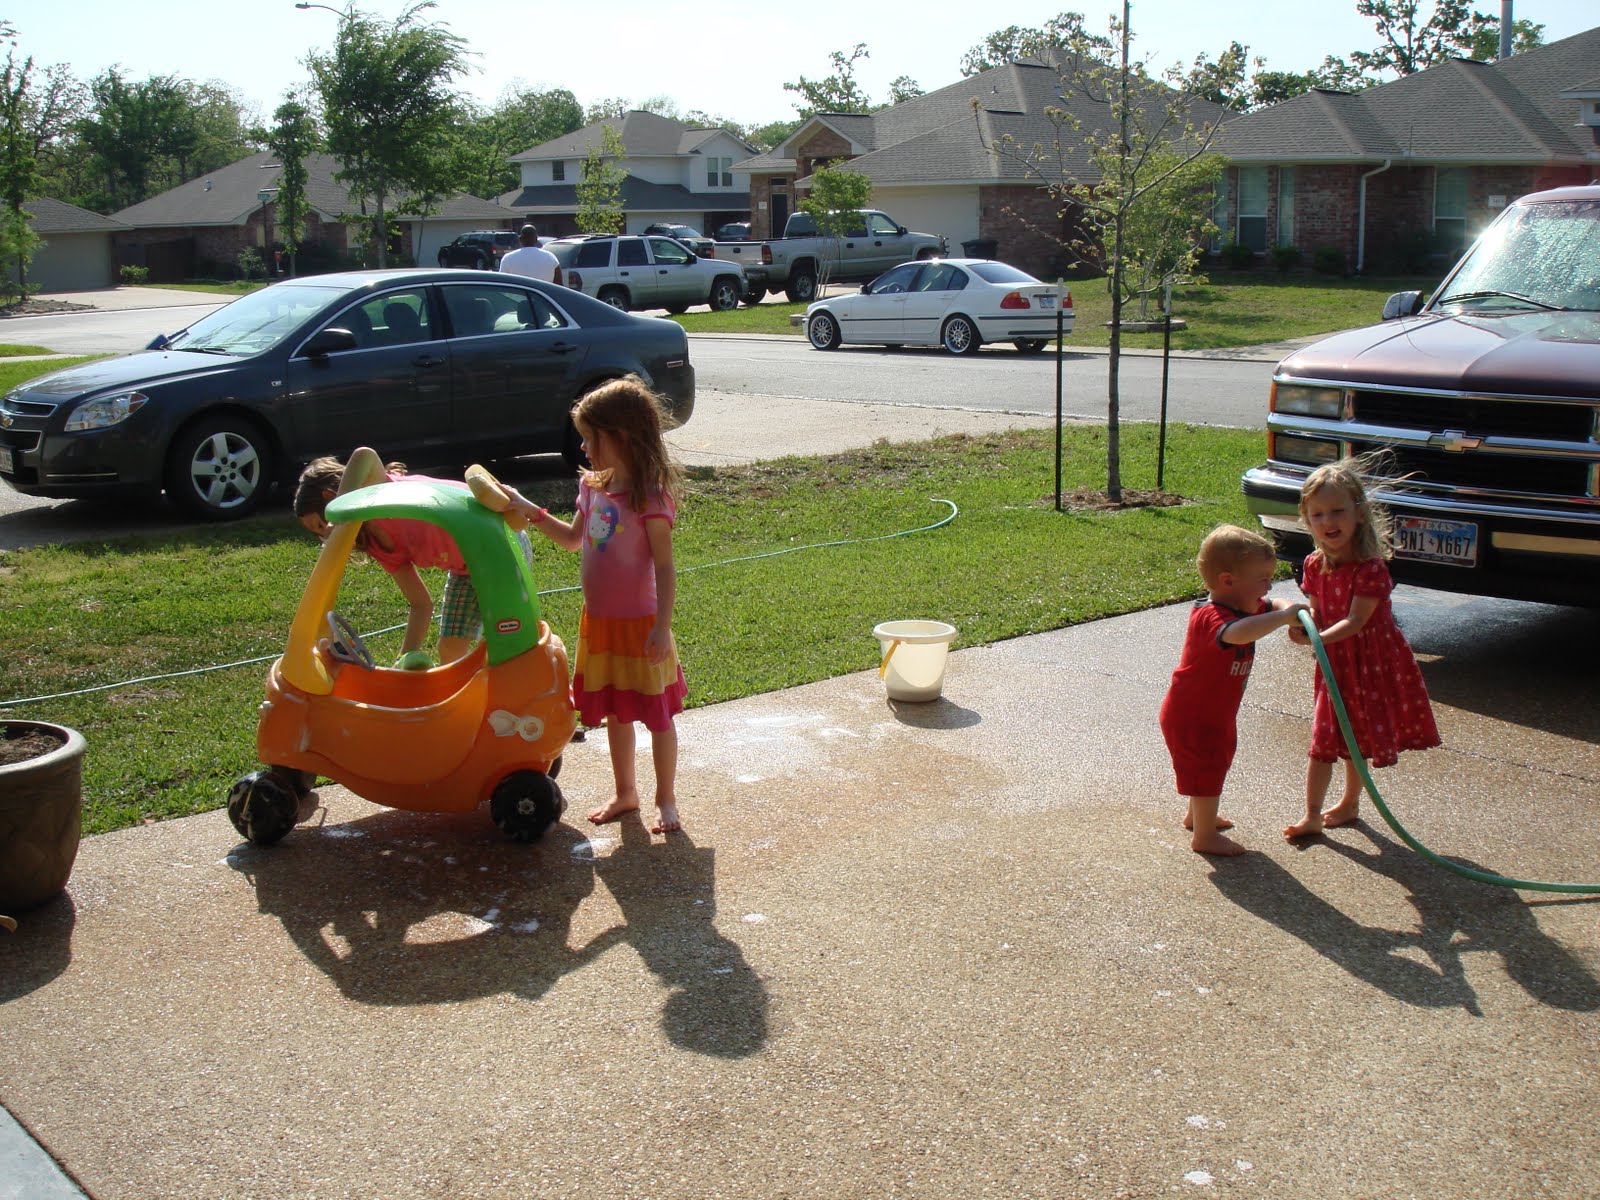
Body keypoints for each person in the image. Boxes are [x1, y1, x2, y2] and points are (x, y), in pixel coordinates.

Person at [501, 378, 688, 833]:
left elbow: (664, 568)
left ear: (619, 436)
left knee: (656, 716)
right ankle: (627, 792)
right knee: (616, 714)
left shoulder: (651, 496)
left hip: (642, 625)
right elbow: (570, 540)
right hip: (600, 624)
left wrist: (663, 627)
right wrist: (528, 508)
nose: (583, 447)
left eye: (590, 437)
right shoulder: (592, 487)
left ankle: (666, 798)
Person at [1284, 459, 1441, 840]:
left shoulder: (1370, 569)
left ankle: (1350, 802)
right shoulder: (1313, 564)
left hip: (1369, 663)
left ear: (1359, 512)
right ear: (1307, 519)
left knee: (1357, 737)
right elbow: (1318, 616)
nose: (1328, 521)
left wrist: (1318, 638)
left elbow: (1356, 622)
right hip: (1335, 660)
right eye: (1317, 513)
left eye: (1337, 510)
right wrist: (1302, 630)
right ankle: (1312, 813)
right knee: (1324, 738)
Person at [1159, 525, 1308, 856]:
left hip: (1212, 713)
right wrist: (1283, 617)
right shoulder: (1211, 616)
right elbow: (1237, 634)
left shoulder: (1244, 603)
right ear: (1228, 581)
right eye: (1263, 578)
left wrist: (1289, 612)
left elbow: (1273, 604)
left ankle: (1197, 817)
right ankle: (1204, 837)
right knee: (1208, 766)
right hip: (1193, 715)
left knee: (1213, 765)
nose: (1268, 586)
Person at [294, 457, 481, 666]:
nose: (325, 537)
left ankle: (506, 693)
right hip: (466, 570)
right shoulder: (377, 545)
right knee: (449, 648)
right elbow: (421, 604)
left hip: (495, 540)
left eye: (321, 525)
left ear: (330, 498)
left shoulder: (378, 494)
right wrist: (403, 660)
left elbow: (364, 455)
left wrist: (339, 516)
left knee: (499, 641)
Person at [497, 224, 562, 284]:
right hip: (544, 296)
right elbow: (559, 285)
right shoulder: (550, 257)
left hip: (518, 296)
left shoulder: (508, 258)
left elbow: (502, 283)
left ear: (520, 239)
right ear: (536, 239)